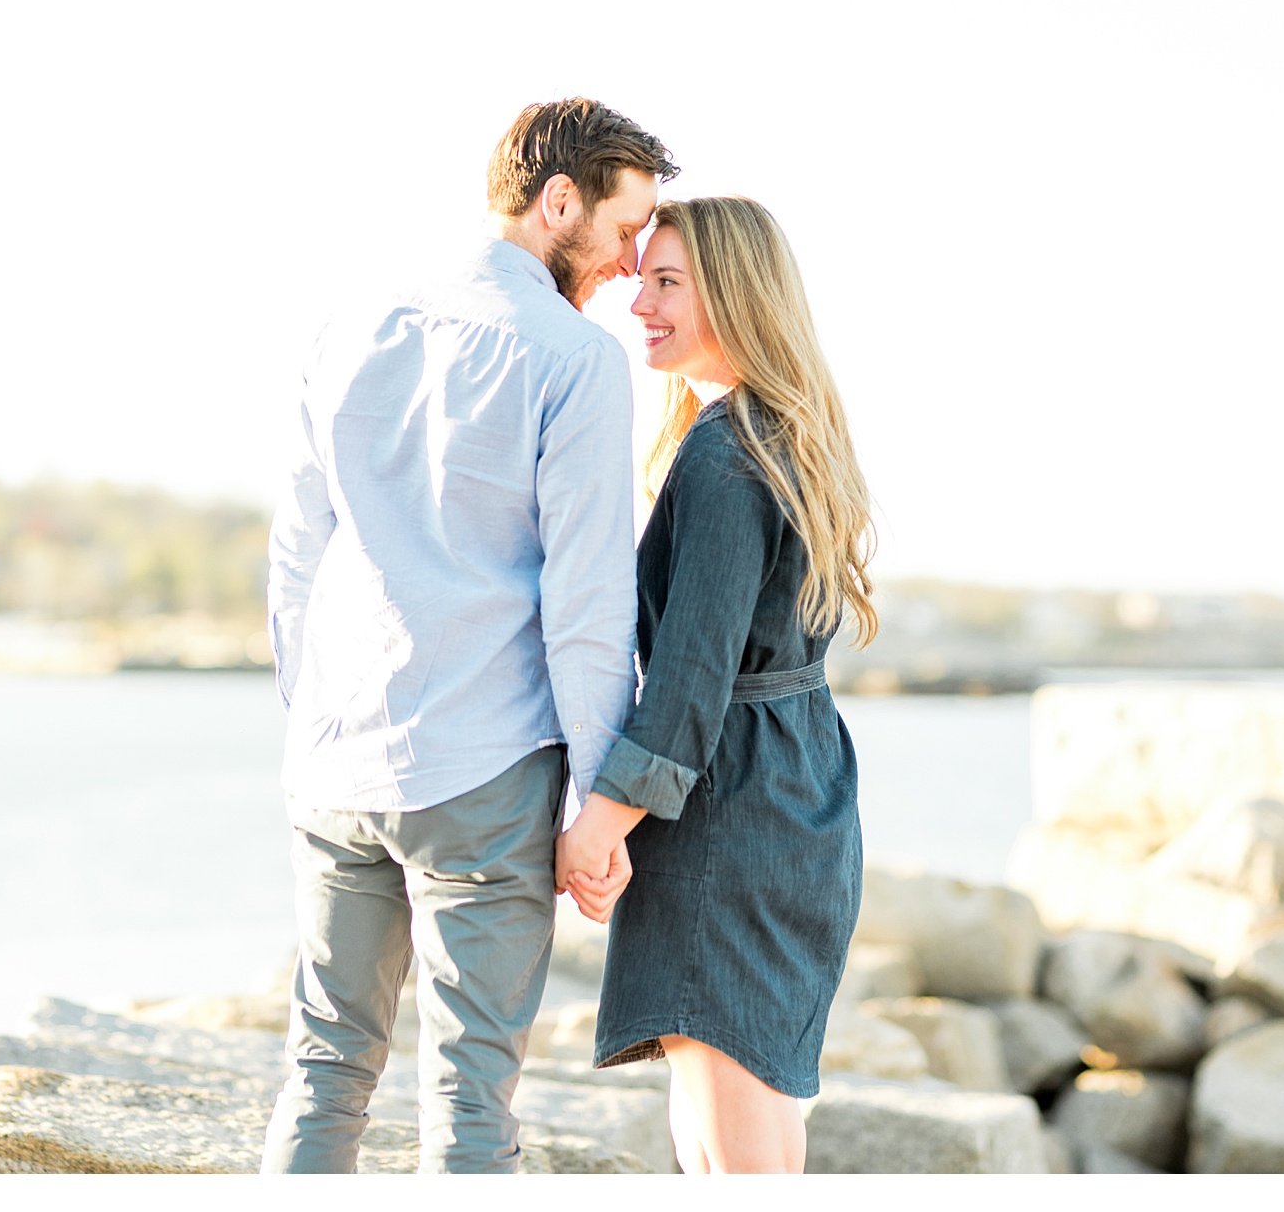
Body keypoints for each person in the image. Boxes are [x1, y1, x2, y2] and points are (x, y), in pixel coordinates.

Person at [259, 98, 679, 1174]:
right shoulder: (572, 359)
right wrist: (598, 800)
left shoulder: (348, 322)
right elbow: (587, 606)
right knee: (470, 1098)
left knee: (321, 1067)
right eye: (625, 230)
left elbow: (298, 552)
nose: (632, 264)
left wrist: (310, 720)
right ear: (557, 202)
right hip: (483, 769)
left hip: (335, 760)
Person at [554, 195, 878, 1175]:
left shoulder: (724, 453)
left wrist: (599, 824)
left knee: (727, 1157)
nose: (637, 303)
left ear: (734, 293)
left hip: (724, 819)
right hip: (799, 799)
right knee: (754, 1132)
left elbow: (691, 673)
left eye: (665, 282)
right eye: (640, 276)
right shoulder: (785, 434)